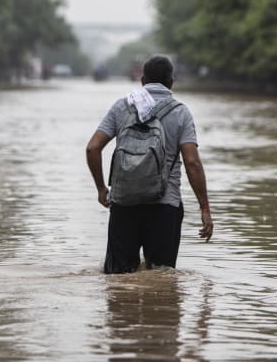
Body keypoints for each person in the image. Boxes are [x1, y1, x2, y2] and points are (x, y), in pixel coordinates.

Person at [86, 55, 213, 274]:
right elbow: (192, 163)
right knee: (161, 278)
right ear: (171, 82)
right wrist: (205, 208)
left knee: (119, 279)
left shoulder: (122, 106)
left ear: (143, 81)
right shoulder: (181, 112)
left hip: (124, 203)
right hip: (165, 206)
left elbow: (92, 148)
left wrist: (101, 189)